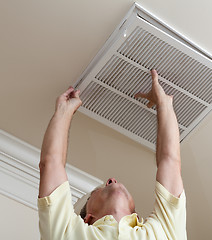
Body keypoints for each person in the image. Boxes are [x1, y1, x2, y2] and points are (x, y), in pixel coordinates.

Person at [38, 69, 187, 240]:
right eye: (98, 189)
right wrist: (163, 104)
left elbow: (50, 164)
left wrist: (63, 112)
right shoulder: (164, 233)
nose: (111, 180)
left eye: (99, 188)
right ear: (88, 219)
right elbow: (171, 161)